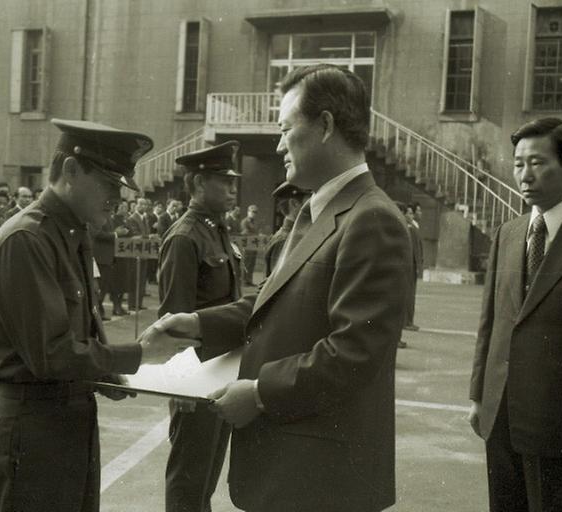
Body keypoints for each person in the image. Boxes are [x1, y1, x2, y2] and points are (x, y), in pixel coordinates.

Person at [141, 64, 410, 512]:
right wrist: (196, 324)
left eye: (286, 129)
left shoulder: (371, 218)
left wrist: (261, 393)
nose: (279, 144)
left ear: (325, 126)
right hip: (294, 467)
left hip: (322, 478)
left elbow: (356, 351)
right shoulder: (317, 212)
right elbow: (272, 303)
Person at [0, 118, 197, 512]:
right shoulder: (26, 240)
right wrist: (139, 354)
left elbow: (79, 338)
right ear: (70, 171)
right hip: (33, 432)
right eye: (109, 184)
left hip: (68, 424)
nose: (118, 197)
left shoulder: (72, 233)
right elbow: (53, 354)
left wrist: (116, 375)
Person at [469, 117, 562, 512]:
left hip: (561, 421)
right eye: (518, 164)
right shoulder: (509, 234)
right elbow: (491, 321)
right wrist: (479, 396)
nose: (524, 175)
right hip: (501, 415)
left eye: (537, 162)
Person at [158, 141, 243, 512]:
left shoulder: (217, 231)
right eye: (223, 181)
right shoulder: (184, 237)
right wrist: (184, 387)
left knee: (205, 480)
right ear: (196, 184)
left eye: (233, 181)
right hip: (197, 378)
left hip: (221, 371)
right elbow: (174, 318)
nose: (232, 189)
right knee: (189, 481)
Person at [264, 182, 310, 277]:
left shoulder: (292, 235)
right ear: (294, 204)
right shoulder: (284, 240)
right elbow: (278, 283)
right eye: (308, 202)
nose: (312, 205)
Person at [126, 197, 151, 310]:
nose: (143, 207)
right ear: (136, 205)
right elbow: (135, 235)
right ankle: (132, 304)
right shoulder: (132, 218)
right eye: (140, 204)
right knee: (135, 279)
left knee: (142, 279)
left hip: (144, 251)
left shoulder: (145, 218)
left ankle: (139, 303)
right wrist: (148, 237)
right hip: (135, 252)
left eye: (145, 204)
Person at [403, 203, 423, 331]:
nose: (413, 215)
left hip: (413, 265)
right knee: (408, 294)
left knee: (411, 294)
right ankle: (406, 321)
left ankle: (409, 320)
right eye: (409, 213)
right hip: (410, 265)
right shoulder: (409, 228)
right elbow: (413, 249)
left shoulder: (414, 226)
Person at [239, 204, 259, 285]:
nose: (254, 213)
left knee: (252, 263)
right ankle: (244, 281)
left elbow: (255, 232)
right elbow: (245, 233)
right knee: (246, 263)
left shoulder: (255, 222)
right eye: (253, 211)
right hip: (247, 245)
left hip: (254, 244)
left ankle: (249, 280)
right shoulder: (245, 222)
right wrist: (255, 235)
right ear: (248, 212)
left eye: (256, 212)